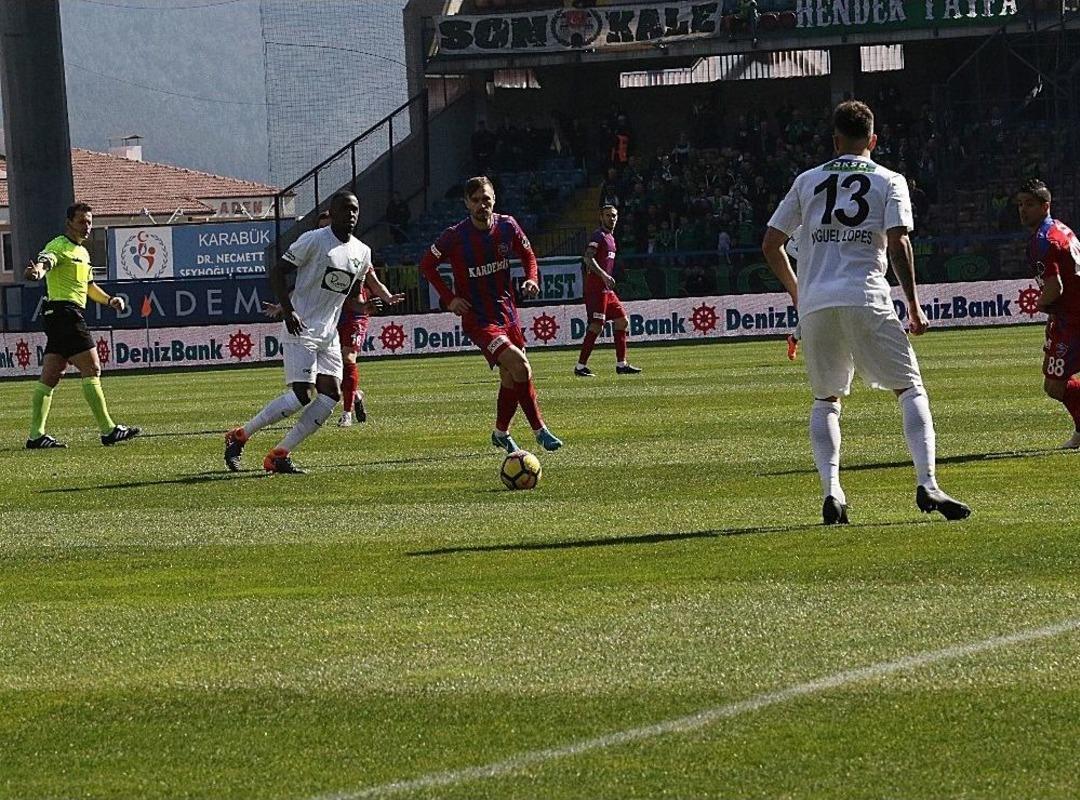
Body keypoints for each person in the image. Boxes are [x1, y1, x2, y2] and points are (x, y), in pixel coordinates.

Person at [761, 100, 970, 525]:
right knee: (910, 389)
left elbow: (770, 244)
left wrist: (800, 295)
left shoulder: (807, 180)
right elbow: (898, 242)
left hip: (817, 305)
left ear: (835, 140)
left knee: (826, 400)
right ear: (873, 140)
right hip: (867, 296)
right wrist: (914, 305)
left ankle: (832, 492)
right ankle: (928, 483)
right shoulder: (889, 180)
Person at [224, 191, 403, 473]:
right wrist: (289, 311)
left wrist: (367, 307)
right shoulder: (313, 240)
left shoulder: (362, 251)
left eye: (355, 209)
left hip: (328, 333)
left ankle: (279, 455)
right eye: (345, 209)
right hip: (301, 327)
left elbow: (352, 297)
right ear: (333, 212)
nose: (351, 214)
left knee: (330, 396)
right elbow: (277, 272)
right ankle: (239, 436)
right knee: (302, 395)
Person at [419, 176, 563, 454]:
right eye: (475, 200)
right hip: (479, 320)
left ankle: (500, 433)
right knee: (521, 366)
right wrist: (449, 298)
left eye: (485, 199)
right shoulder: (454, 236)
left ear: (494, 199)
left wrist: (532, 278)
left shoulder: (508, 225)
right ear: (466, 203)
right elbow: (427, 265)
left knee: (510, 376)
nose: (481, 205)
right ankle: (540, 430)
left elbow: (529, 256)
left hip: (508, 313)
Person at [22, 202, 140, 449]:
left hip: (59, 315)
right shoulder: (59, 245)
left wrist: (109, 300)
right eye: (81, 222)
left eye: (89, 222)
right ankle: (108, 430)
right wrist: (37, 273)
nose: (87, 226)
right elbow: (45, 263)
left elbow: (88, 287)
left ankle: (36, 435)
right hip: (65, 313)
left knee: (51, 374)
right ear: (69, 223)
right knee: (92, 367)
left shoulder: (83, 253)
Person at [1016, 178, 1080, 449]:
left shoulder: (1043, 240)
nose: (1023, 210)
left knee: (1054, 385)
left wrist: (1041, 305)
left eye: (1029, 204)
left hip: (1074, 321)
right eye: (1020, 204)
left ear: (1046, 206)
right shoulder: (1060, 228)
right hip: (1069, 316)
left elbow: (1055, 287)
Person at [574, 203, 641, 377]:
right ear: (601, 217)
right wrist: (604, 275)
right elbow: (588, 258)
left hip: (606, 290)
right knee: (596, 325)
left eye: (614, 215)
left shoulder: (611, 238)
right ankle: (580, 366)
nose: (612, 218)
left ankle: (621, 364)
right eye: (608, 215)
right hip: (596, 289)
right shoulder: (599, 235)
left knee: (622, 321)